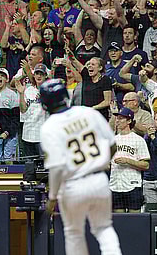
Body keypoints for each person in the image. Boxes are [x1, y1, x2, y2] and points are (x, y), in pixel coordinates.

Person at [40, 79, 122, 255]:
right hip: (99, 179)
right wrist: (99, 162)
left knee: (73, 233)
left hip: (72, 185)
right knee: (104, 228)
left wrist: (52, 197)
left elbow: (56, 168)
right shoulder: (87, 112)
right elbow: (112, 144)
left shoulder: (49, 127)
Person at [110, 107, 150, 213]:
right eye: (117, 118)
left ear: (129, 121)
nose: (117, 121)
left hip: (132, 185)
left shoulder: (138, 140)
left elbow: (146, 165)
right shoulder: (113, 140)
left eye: (121, 118)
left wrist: (127, 161)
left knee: (134, 220)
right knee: (119, 221)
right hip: (115, 185)